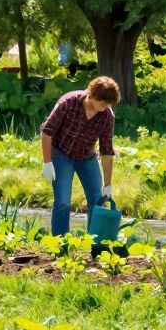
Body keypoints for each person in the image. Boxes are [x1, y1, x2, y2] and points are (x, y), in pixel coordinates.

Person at [40, 76, 119, 235]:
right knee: (63, 201)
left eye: (108, 104)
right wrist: (47, 162)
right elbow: (47, 132)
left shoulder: (107, 116)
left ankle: (95, 242)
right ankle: (60, 242)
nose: (105, 107)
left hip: (86, 157)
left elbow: (106, 150)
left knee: (96, 200)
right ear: (92, 94)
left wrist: (108, 184)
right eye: (102, 102)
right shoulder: (68, 103)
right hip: (61, 155)